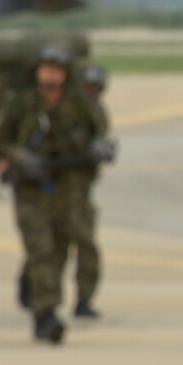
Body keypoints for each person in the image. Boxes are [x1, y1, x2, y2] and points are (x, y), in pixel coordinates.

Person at [0, 43, 112, 345]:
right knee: (41, 250)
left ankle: (66, 300)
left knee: (63, 248)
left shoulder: (82, 103)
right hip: (32, 189)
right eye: (46, 70)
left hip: (72, 187)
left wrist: (100, 149)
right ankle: (46, 314)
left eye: (57, 71)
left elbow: (101, 136)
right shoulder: (20, 103)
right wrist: (17, 157)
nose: (51, 76)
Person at [70, 61, 111, 317]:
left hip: (79, 190)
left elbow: (100, 139)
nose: (89, 94)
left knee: (87, 246)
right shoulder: (50, 109)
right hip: (45, 190)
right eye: (85, 88)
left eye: (94, 90)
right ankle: (40, 300)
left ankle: (84, 300)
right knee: (45, 250)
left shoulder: (97, 113)